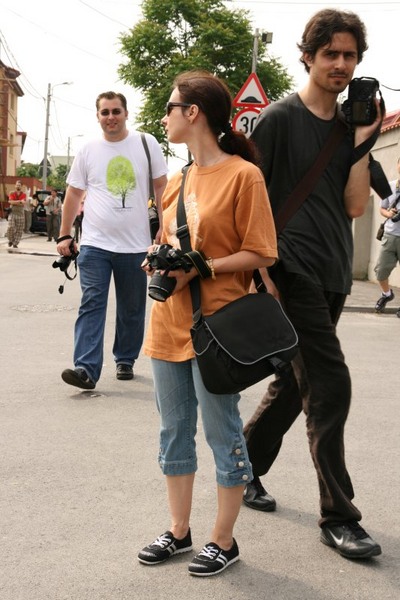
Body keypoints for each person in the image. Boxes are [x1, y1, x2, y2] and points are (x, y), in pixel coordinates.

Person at [242, 9, 383, 560]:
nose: (341, 64)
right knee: (329, 384)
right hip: (289, 269)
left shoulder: (350, 128)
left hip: (333, 270)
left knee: (292, 385)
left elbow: (354, 206)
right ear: (308, 56)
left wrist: (364, 140)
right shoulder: (277, 119)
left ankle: (240, 469)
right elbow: (250, 199)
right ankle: (339, 516)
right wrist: (260, 273)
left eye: (350, 55)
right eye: (331, 54)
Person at [138, 71, 278, 577]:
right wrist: (157, 258)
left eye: (170, 107)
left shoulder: (244, 176)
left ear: (192, 112)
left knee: (223, 433)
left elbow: (262, 251)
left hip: (217, 328)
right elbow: (168, 240)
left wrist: (203, 267)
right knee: (173, 431)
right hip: (167, 324)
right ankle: (179, 531)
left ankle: (224, 540)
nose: (165, 117)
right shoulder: (178, 180)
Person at [57, 91, 168, 390]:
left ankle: (125, 359)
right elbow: (74, 194)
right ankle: (85, 369)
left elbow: (162, 187)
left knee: (132, 307)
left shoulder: (146, 143)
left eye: (116, 111)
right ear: (97, 116)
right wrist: (64, 234)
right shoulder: (88, 150)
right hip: (95, 244)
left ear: (126, 113)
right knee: (91, 303)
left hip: (136, 245)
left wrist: (165, 227)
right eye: (105, 112)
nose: (111, 117)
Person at [374, 157, 400, 316]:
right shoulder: (390, 186)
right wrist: (389, 214)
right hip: (390, 236)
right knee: (380, 271)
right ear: (398, 165)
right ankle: (387, 294)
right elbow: (382, 209)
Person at [7, 180, 26, 248]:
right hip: (12, 213)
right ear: (15, 186)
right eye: (17, 185)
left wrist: (15, 202)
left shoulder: (24, 194)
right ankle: (10, 240)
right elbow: (10, 202)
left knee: (19, 229)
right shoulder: (12, 193)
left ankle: (15, 243)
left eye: (19, 185)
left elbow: (23, 203)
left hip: (20, 214)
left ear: (21, 186)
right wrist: (19, 201)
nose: (18, 186)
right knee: (10, 227)